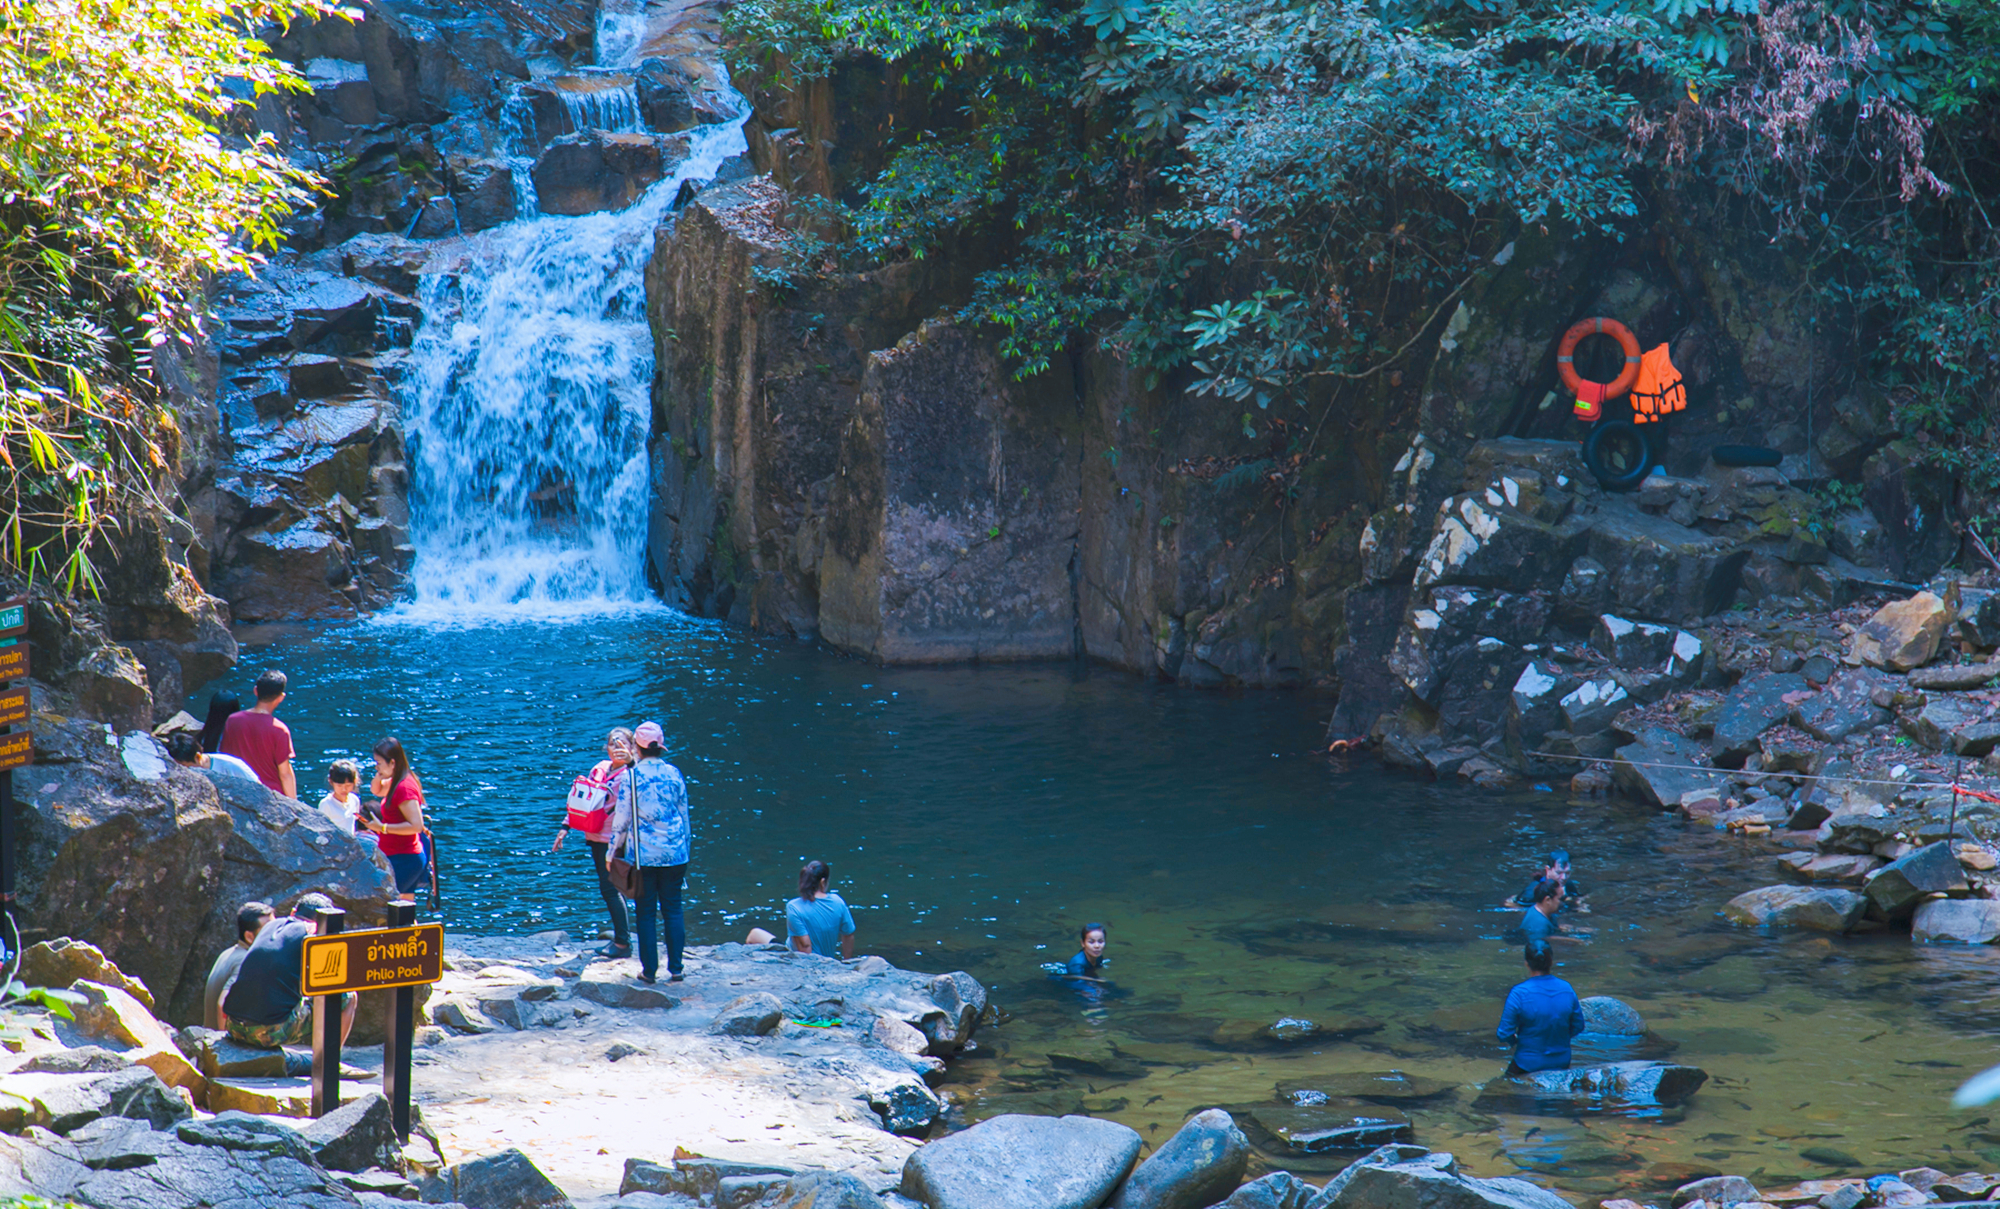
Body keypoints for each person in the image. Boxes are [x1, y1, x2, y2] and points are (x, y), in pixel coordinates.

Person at [608, 720, 691, 984]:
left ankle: (649, 972)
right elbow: (684, 815)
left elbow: (620, 821)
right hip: (676, 853)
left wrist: (611, 854)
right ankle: (676, 969)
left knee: (645, 912)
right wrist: (685, 847)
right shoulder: (675, 773)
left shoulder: (630, 776)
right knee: (673, 909)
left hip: (644, 857)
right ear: (660, 747)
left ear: (636, 748)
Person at [220, 893, 356, 1048]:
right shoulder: (313, 932)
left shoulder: (270, 926)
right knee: (348, 996)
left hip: (233, 1025)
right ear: (323, 923)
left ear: (293, 912)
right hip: (267, 1031)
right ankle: (330, 1061)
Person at [552, 728, 635, 958]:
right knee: (608, 888)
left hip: (617, 839)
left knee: (612, 888)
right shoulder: (599, 769)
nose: (616, 748)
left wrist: (633, 764)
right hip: (595, 836)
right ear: (606, 748)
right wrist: (565, 827)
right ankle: (622, 939)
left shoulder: (632, 773)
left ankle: (622, 943)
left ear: (632, 748)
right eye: (612, 744)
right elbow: (583, 801)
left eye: (622, 744)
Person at [1496, 940, 1584, 1075]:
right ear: (1551, 962)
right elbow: (1578, 1026)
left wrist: (1517, 1043)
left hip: (1527, 1063)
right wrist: (1560, 1038)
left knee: (1499, 1090)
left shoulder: (1519, 993)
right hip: (1561, 1062)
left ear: (1526, 963)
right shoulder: (1567, 989)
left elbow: (1504, 1033)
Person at [361, 737, 427, 903]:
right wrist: (379, 774)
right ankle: (412, 929)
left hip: (404, 858)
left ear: (392, 763)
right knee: (404, 907)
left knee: (391, 905)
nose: (376, 766)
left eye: (379, 763)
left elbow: (416, 826)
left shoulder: (404, 788)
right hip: (399, 854)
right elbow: (377, 790)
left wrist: (382, 827)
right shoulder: (396, 780)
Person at [221, 670, 296, 798]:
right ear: (281, 697)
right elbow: (285, 774)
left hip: (239, 793)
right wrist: (296, 806)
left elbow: (225, 757)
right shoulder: (279, 730)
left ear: (255, 691)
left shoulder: (232, 720)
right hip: (271, 796)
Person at [203, 900, 272, 1030]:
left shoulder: (228, 953)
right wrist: (224, 1045)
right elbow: (223, 1004)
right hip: (217, 1043)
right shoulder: (245, 961)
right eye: (268, 930)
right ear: (249, 937)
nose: (275, 934)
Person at [784, 860, 856, 959]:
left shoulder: (793, 907)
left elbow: (805, 947)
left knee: (756, 934)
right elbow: (849, 934)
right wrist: (846, 961)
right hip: (826, 959)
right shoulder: (838, 901)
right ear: (822, 882)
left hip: (793, 957)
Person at [167, 731, 262, 783]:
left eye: (184, 765)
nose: (182, 770)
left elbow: (258, 787)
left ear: (197, 757)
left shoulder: (230, 765)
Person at [1507, 849, 1587, 911]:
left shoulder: (1567, 883)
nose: (1564, 877)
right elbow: (1515, 907)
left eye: (1567, 873)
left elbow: (1576, 897)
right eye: (1559, 873)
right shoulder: (1533, 891)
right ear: (1548, 869)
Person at [318, 760, 365, 838]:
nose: (344, 789)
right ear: (331, 782)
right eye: (339, 786)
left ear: (355, 781)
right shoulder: (326, 804)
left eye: (348, 785)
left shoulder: (354, 800)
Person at [1519, 879, 1566, 944]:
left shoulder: (1544, 912)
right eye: (1560, 899)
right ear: (1548, 900)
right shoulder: (1539, 926)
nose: (1562, 903)